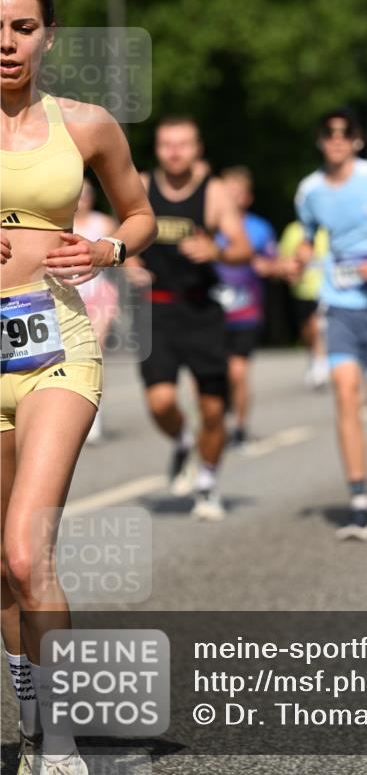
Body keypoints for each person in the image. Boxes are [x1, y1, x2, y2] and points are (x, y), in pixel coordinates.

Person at [1, 0, 156, 775]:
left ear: (47, 36)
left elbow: (140, 211)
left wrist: (107, 249)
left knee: (29, 552)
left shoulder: (87, 124)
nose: (5, 42)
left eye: (22, 27)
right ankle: (31, 713)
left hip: (55, 341)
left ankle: (59, 752)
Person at [290, 109, 367, 540]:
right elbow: (308, 235)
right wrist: (302, 254)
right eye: (329, 133)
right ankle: (359, 501)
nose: (338, 139)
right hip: (339, 302)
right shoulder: (309, 190)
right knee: (345, 393)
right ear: (320, 140)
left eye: (347, 133)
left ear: (359, 140)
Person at [126, 119, 251, 519]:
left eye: (183, 144)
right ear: (158, 148)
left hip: (201, 311)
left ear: (197, 148)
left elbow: (243, 248)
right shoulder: (141, 185)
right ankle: (182, 441)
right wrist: (127, 261)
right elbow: (119, 238)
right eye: (167, 145)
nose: (175, 152)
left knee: (213, 411)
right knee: (160, 401)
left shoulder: (213, 192)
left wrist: (216, 251)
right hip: (157, 310)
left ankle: (208, 485)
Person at [212, 166, 280, 446]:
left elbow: (276, 265)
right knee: (211, 375)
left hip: (246, 311)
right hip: (209, 312)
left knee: (238, 372)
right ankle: (212, 424)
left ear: (247, 198)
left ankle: (239, 426)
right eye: (227, 192)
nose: (232, 197)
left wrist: (268, 266)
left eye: (237, 193)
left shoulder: (260, 228)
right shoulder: (206, 226)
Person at [72, 179, 119, 442]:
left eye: (86, 195)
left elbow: (122, 254)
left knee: (93, 356)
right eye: (77, 195)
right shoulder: (59, 224)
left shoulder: (104, 223)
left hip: (99, 298)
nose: (82, 200)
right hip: (66, 297)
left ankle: (94, 417)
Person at [278, 220, 329, 388]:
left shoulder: (330, 227)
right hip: (302, 290)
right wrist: (291, 270)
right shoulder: (294, 230)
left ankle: (320, 364)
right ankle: (314, 356)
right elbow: (284, 259)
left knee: (318, 324)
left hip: (326, 290)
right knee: (307, 330)